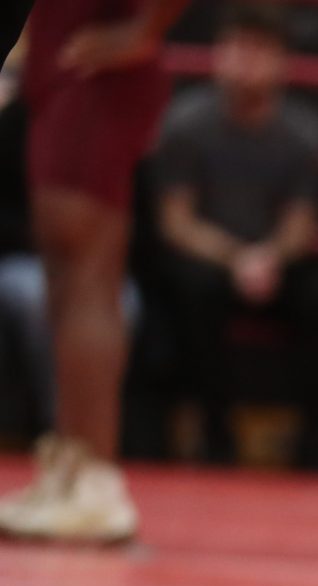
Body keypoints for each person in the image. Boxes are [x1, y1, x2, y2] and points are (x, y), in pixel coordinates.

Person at [0, 0, 188, 542]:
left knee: (87, 274)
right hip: (63, 72)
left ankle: (96, 481)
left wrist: (146, 27)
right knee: (63, 272)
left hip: (97, 76)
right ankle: (70, 467)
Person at [150, 1, 318, 467]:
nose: (244, 60)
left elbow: (301, 222)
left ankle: (312, 443)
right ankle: (215, 436)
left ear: (282, 62)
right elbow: (176, 221)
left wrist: (269, 258)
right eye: (235, 47)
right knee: (193, 293)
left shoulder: (303, 132)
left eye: (259, 49)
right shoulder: (185, 124)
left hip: (274, 261)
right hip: (210, 258)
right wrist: (237, 259)